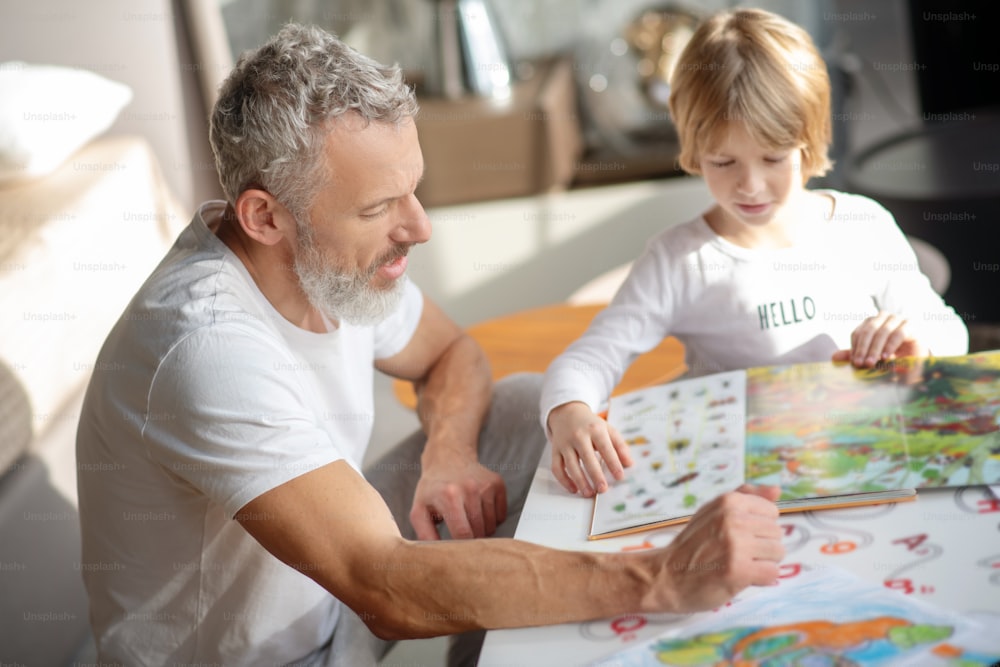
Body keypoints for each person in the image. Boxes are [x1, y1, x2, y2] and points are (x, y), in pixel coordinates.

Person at [75, 22, 785, 667]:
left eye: (411, 191)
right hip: (282, 651)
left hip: (331, 597)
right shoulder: (203, 350)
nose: (418, 227)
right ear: (264, 216)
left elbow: (452, 354)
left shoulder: (327, 262)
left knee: (520, 405)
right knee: (548, 569)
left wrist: (449, 454)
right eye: (380, 207)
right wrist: (660, 576)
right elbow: (383, 583)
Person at [541, 7, 969, 499]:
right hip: (747, 491)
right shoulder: (680, 262)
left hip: (871, 463)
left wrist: (919, 339)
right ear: (693, 150)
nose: (751, 185)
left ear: (809, 143)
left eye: (773, 158)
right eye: (723, 161)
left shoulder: (862, 225)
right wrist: (568, 411)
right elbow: (590, 359)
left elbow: (949, 330)